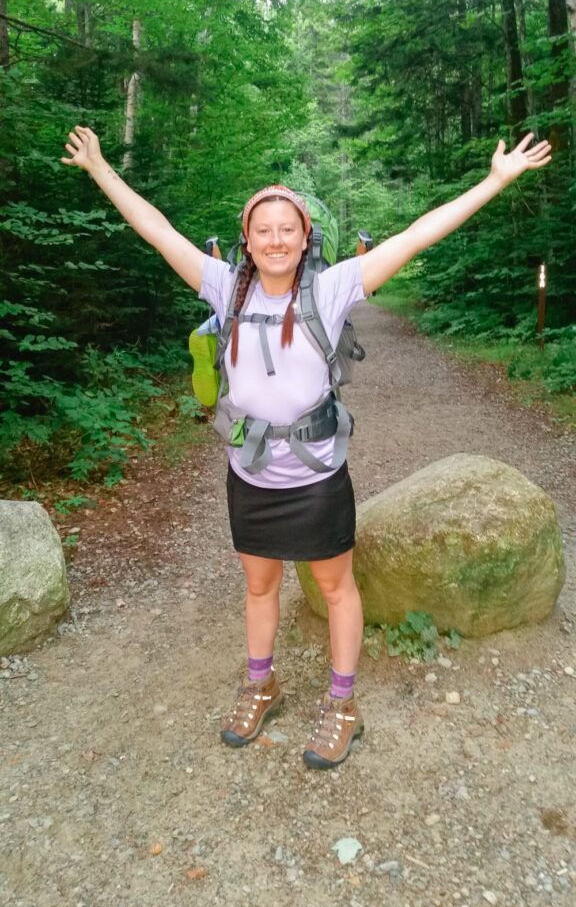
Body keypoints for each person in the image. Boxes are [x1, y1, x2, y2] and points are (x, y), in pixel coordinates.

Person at [61, 126, 552, 770]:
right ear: (248, 238)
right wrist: (101, 170)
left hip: (318, 472)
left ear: (304, 236)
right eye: (262, 229)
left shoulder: (331, 288)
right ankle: (260, 684)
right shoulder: (222, 286)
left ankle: (342, 705)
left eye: (286, 228)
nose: (274, 239)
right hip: (251, 473)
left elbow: (416, 235)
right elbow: (157, 231)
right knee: (259, 585)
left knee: (337, 585)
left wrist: (495, 181)